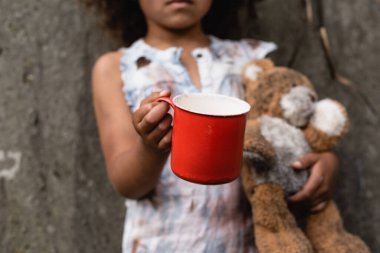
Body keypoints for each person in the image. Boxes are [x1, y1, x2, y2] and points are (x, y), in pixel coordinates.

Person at [83, 0, 340, 252]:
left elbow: (289, 136)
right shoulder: (118, 68)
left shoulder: (249, 60)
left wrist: (326, 163)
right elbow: (126, 184)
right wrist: (151, 147)